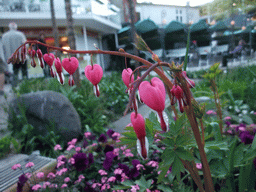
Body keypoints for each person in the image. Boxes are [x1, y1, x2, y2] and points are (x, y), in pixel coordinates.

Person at [2, 22, 28, 87]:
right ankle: (26, 86)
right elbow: (26, 45)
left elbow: (3, 48)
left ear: (9, 27)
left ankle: (14, 87)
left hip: (11, 58)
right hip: (21, 57)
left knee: (15, 73)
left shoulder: (4, 36)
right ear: (16, 27)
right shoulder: (20, 34)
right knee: (24, 73)